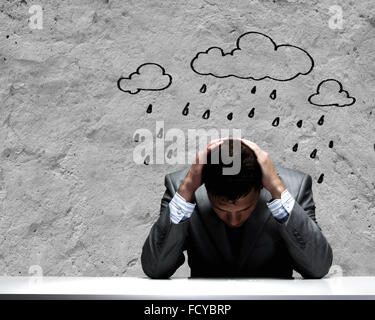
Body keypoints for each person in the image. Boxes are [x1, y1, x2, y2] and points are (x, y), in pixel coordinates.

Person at [141, 138, 333, 278]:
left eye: (244, 210)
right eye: (222, 210)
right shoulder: (182, 189)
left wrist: (277, 190)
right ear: (206, 190)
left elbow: (318, 267)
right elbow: (155, 268)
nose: (233, 221)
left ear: (260, 187)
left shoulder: (294, 188)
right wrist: (186, 189)